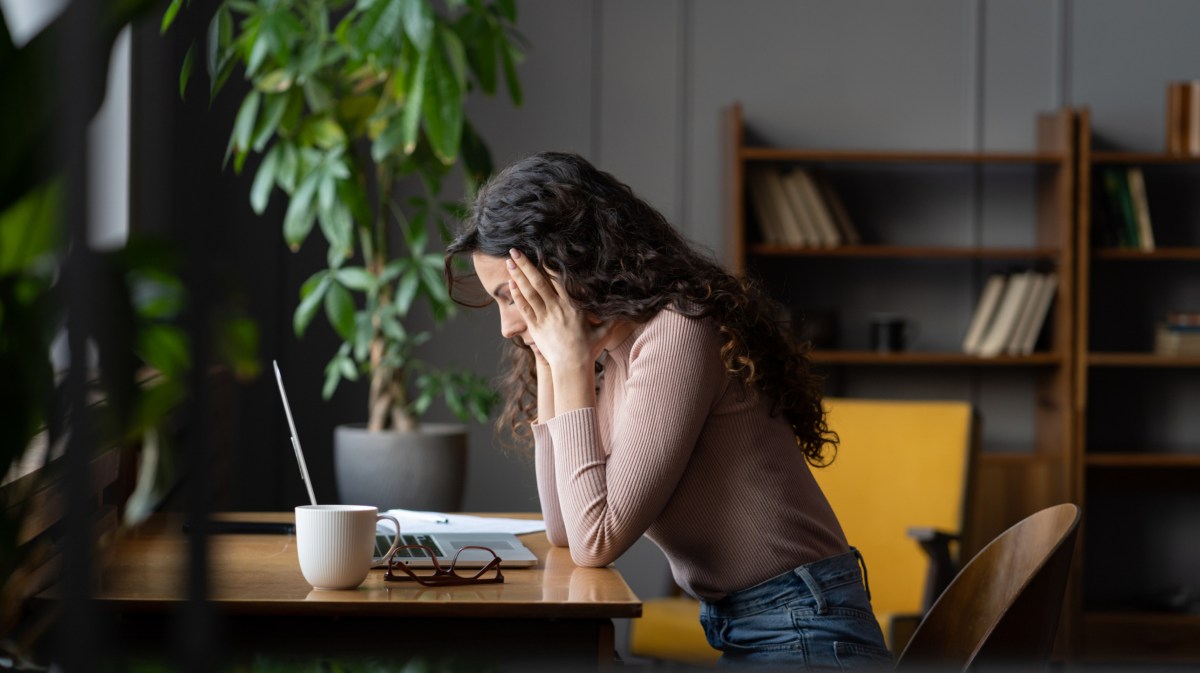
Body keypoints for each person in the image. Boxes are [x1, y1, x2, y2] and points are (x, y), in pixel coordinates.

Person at [444, 151, 891, 670]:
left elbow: (596, 541)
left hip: (806, 631)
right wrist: (551, 361)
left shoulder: (678, 330)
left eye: (511, 296)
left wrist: (566, 361)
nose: (506, 326)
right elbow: (564, 527)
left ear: (565, 265)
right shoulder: (609, 354)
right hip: (756, 629)